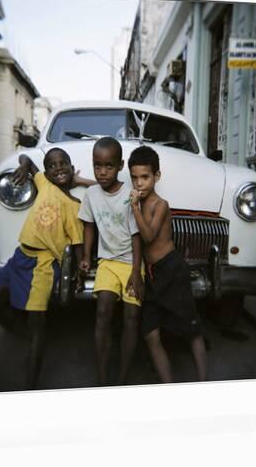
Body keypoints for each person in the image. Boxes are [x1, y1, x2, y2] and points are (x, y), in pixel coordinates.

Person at [0, 148, 93, 389]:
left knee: (37, 322)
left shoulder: (75, 205)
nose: (58, 168)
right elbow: (26, 159)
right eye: (52, 165)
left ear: (72, 168)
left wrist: (78, 269)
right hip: (20, 257)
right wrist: (22, 167)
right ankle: (30, 339)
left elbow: (78, 242)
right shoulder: (42, 183)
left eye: (64, 164)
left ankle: (31, 381)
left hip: (43, 266)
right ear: (46, 172)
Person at [128, 145, 207, 383]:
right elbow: (106, 186)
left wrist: (134, 208)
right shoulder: (138, 201)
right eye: (134, 178)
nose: (139, 183)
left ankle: (204, 382)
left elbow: (149, 236)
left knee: (191, 330)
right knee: (151, 333)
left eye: (145, 177)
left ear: (157, 176)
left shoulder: (159, 204)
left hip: (172, 269)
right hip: (152, 274)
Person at [78, 137, 143, 386]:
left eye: (109, 166)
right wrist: (85, 257)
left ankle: (124, 376)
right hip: (107, 261)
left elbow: (137, 236)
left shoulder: (130, 194)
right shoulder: (92, 194)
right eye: (97, 165)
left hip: (132, 262)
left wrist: (137, 273)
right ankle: (103, 377)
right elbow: (89, 227)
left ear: (120, 166)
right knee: (103, 310)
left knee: (131, 316)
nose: (102, 172)